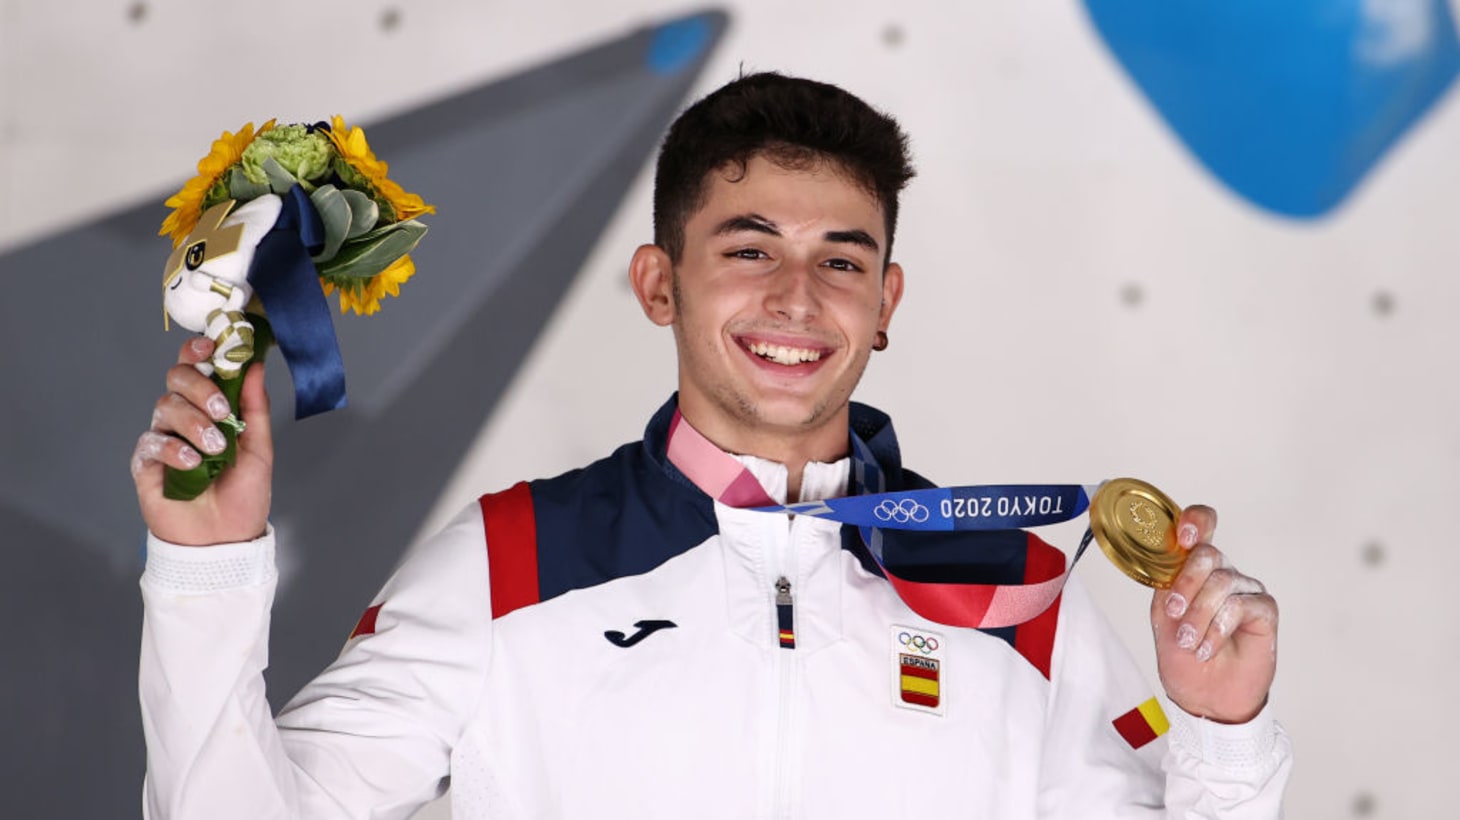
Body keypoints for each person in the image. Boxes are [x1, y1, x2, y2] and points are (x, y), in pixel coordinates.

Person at [134, 73, 1290, 818]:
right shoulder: (513, 559)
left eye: (840, 260)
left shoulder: (1008, 582)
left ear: (884, 302)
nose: (797, 297)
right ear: (658, 283)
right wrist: (205, 569)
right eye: (748, 249)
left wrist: (1219, 729)